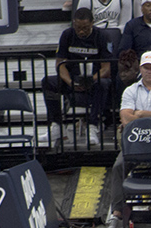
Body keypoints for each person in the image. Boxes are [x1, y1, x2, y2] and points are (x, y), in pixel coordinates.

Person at [104, 52, 151, 228]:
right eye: (146, 67)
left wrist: (142, 114)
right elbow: (126, 118)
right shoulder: (130, 91)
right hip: (136, 145)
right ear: (140, 69)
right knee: (119, 166)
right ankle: (117, 215)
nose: (149, 71)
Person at [43, 8, 112, 141]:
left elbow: (106, 68)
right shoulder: (67, 35)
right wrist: (69, 82)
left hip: (94, 79)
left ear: (92, 23)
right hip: (72, 80)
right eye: (78, 27)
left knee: (103, 84)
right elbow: (60, 64)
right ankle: (57, 125)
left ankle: (93, 125)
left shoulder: (102, 36)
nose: (81, 31)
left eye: (85, 28)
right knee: (48, 82)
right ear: (73, 24)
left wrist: (91, 80)